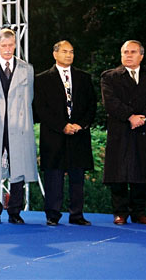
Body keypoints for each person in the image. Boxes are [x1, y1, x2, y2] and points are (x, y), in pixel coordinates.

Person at [0, 28, 38, 225]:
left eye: (11, 45)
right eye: (4, 45)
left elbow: (29, 98)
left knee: (18, 167)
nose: (8, 49)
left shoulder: (26, 69)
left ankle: (15, 212)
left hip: (18, 125)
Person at [101, 40, 146, 225]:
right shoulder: (110, 77)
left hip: (144, 130)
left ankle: (139, 212)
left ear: (141, 55)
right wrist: (130, 116)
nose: (128, 55)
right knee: (118, 172)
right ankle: (120, 212)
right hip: (120, 131)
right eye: (125, 52)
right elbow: (110, 102)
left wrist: (143, 118)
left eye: (133, 52)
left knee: (142, 171)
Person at [34, 40, 96, 226]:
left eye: (71, 52)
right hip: (54, 135)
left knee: (77, 177)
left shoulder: (84, 78)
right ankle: (52, 214)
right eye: (64, 51)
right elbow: (40, 109)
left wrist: (81, 125)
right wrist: (62, 126)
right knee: (54, 176)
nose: (68, 55)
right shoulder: (42, 79)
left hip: (79, 135)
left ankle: (77, 214)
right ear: (55, 54)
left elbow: (92, 106)